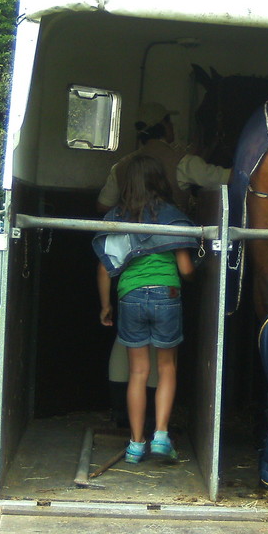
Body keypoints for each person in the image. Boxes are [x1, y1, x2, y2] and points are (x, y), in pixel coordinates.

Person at [94, 154, 197, 463]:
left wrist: (105, 305)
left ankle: (136, 444)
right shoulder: (173, 217)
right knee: (167, 368)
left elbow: (104, 268)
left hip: (130, 297)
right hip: (167, 295)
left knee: (138, 372)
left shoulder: (118, 217)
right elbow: (186, 269)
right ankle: (162, 436)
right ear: (160, 182)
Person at [97, 101, 230, 213]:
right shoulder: (184, 163)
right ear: (165, 126)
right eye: (170, 122)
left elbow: (103, 206)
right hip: (173, 241)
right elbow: (227, 178)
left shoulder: (119, 167)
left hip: (129, 241)